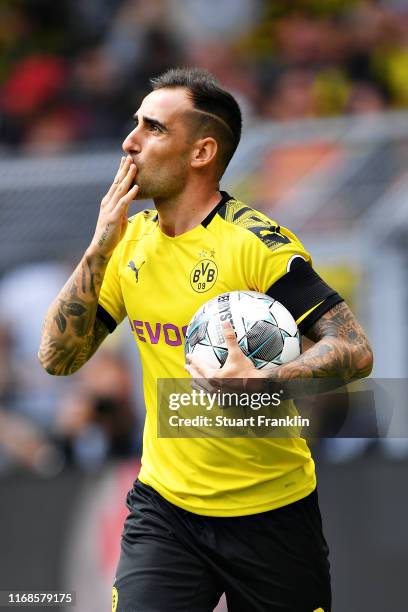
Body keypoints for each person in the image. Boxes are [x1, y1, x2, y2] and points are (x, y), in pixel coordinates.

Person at [39, 67, 373, 612]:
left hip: (272, 512)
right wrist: (98, 248)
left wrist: (264, 379)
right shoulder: (128, 244)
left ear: (201, 153)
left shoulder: (254, 245)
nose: (130, 141)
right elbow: (56, 357)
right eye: (135, 125)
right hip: (166, 511)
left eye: (153, 128)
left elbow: (354, 347)